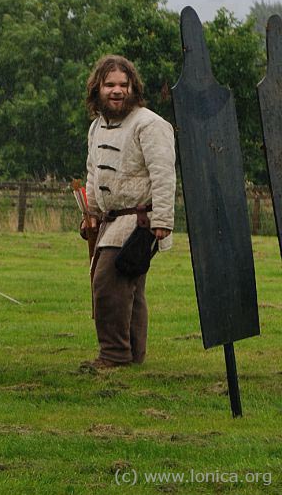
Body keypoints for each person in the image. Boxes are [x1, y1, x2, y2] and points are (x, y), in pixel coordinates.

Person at [82, 55, 175, 369]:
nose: (117, 91)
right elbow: (94, 173)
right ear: (98, 88)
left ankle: (114, 354)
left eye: (124, 84)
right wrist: (91, 212)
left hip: (138, 219)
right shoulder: (97, 127)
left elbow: (163, 174)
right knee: (130, 288)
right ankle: (133, 355)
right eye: (110, 85)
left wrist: (162, 220)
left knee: (108, 284)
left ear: (134, 87)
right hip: (110, 221)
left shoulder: (149, 124)